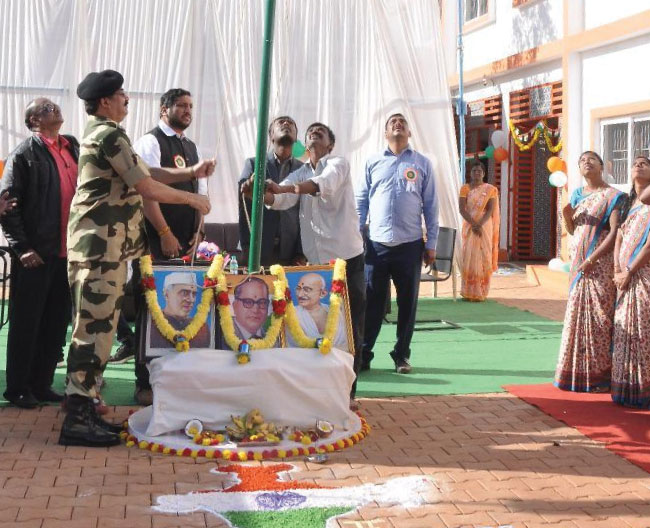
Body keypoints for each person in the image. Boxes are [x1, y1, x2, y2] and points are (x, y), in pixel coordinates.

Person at [60, 69, 213, 447]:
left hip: (105, 249)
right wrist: (192, 197)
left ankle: (85, 405)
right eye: (120, 95)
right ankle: (77, 417)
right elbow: (145, 186)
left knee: (99, 330)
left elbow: (145, 171)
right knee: (93, 332)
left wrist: (190, 173)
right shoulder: (109, 135)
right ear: (104, 101)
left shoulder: (108, 134)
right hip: (99, 249)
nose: (127, 99)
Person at [109, 88, 207, 405]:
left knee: (180, 311)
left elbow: (200, 195)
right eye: (181, 105)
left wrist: (198, 233)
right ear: (164, 109)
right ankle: (144, 382)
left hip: (186, 245)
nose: (187, 110)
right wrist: (164, 231)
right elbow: (146, 190)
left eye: (190, 105)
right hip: (155, 241)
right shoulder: (150, 142)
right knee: (151, 310)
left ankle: (176, 381)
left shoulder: (191, 146)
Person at [263, 122, 365, 401]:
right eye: (310, 132)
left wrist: (282, 189)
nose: (314, 132)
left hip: (347, 259)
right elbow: (279, 199)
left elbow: (320, 185)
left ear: (330, 144)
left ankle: (348, 394)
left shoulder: (338, 164)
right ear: (305, 145)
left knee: (350, 327)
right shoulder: (301, 172)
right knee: (319, 326)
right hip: (317, 264)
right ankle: (322, 391)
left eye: (321, 131)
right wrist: (260, 192)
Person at [0, 98, 77, 408]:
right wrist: (22, 248)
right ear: (33, 121)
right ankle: (18, 388)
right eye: (45, 109)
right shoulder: (24, 155)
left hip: (68, 253)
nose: (54, 110)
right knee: (27, 323)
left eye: (55, 106)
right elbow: (8, 205)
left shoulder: (72, 147)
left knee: (56, 323)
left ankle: (42, 384)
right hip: (36, 253)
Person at [356, 113, 438, 374]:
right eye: (392, 122)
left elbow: (431, 206)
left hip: (410, 244)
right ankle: (364, 354)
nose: (397, 124)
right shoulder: (372, 162)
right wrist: (358, 234)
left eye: (402, 122)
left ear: (409, 132)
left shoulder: (422, 163)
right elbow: (361, 201)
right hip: (376, 245)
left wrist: (431, 243)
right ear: (385, 133)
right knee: (372, 302)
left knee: (407, 304)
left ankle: (401, 355)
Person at [554, 151, 625, 393]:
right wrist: (566, 216)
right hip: (578, 265)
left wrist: (592, 259)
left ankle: (601, 377)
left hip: (600, 266)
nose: (587, 162)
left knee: (599, 318)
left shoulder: (614, 196)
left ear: (602, 166)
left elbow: (614, 232)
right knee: (577, 316)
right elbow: (574, 230)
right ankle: (577, 372)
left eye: (592, 159)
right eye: (582, 160)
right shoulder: (577, 194)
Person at [611, 156, 650, 408]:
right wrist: (617, 269)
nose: (638, 165)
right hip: (623, 277)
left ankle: (643, 389)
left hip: (643, 274)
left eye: (645, 163)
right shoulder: (628, 203)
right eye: (635, 162)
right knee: (625, 329)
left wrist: (629, 270)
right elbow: (619, 236)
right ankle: (626, 386)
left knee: (642, 330)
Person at [239, 116, 303, 268]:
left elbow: (306, 213)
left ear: (296, 138)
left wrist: (301, 252)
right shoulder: (254, 164)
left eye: (291, 123)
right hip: (257, 250)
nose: (286, 123)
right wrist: (247, 246)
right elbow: (243, 205)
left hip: (290, 253)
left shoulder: (302, 169)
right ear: (271, 136)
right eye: (281, 122)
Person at [458, 161, 500, 301]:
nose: (477, 173)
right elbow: (462, 209)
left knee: (484, 256)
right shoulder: (465, 188)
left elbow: (490, 210)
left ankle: (481, 291)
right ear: (470, 173)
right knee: (469, 256)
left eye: (479, 171)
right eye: (474, 171)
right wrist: (474, 224)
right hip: (469, 224)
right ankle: (468, 291)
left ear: (484, 173)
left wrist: (479, 224)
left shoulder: (490, 190)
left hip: (484, 226)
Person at [149, 272, 210, 348]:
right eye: (184, 293)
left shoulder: (202, 329)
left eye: (194, 294)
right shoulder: (150, 326)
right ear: (166, 295)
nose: (191, 300)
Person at [292, 272, 347, 350]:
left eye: (307, 289)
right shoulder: (291, 314)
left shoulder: (337, 313)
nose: (300, 294)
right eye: (298, 289)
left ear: (322, 293)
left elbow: (346, 344)